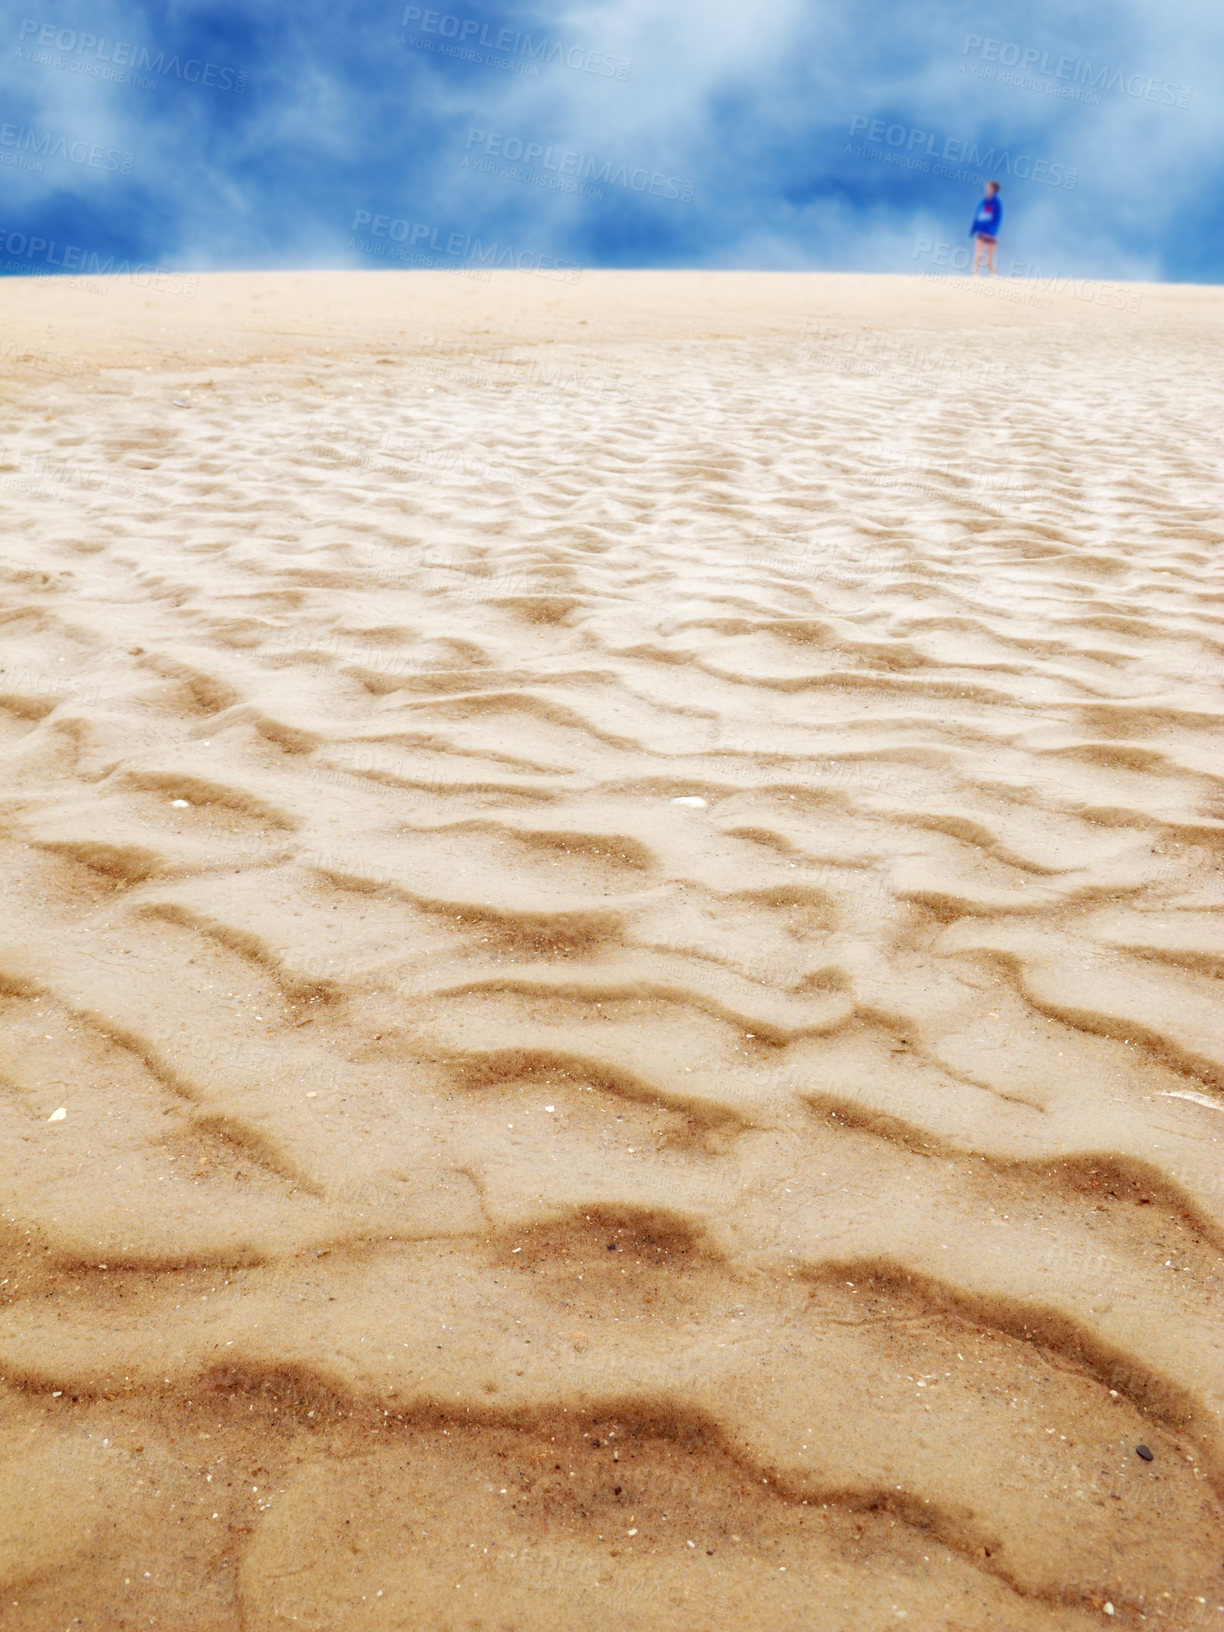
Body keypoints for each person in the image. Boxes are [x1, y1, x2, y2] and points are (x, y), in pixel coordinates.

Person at [970, 181, 1002, 275]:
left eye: (989, 187)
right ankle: (974, 277)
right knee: (978, 256)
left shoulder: (997, 203)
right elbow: (978, 216)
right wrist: (974, 229)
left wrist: (992, 232)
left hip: (990, 235)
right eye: (987, 187)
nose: (987, 189)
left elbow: (998, 218)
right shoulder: (983, 202)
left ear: (994, 189)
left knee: (988, 262)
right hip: (981, 233)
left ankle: (995, 277)